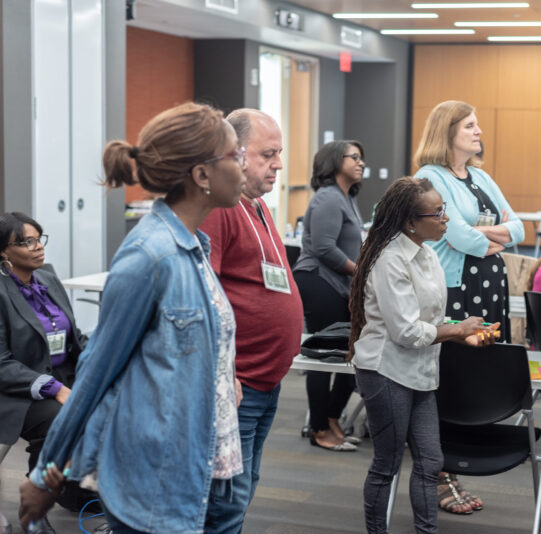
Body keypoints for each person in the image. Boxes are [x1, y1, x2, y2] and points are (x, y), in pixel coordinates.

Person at [18, 101, 247, 533]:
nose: (244, 166)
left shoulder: (196, 249)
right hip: (162, 482)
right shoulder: (149, 256)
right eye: (235, 155)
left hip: (215, 469)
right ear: (201, 175)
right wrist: (46, 472)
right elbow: (94, 374)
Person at [348, 176, 497, 534]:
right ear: (411, 222)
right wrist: (456, 331)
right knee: (387, 464)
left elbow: (429, 319)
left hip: (420, 371)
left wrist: (463, 334)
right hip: (386, 371)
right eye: (439, 213)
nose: (447, 219)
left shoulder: (428, 254)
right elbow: (405, 331)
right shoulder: (389, 259)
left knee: (431, 462)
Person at [414, 99, 524, 514]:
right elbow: (456, 236)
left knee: (481, 374)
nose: (479, 132)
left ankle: (460, 460)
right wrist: (490, 237)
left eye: (478, 126)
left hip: (489, 288)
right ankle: (441, 472)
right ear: (448, 132)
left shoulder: (480, 176)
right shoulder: (429, 175)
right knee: (449, 379)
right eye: (470, 126)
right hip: (455, 289)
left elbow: (519, 227)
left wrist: (489, 234)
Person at [199, 108, 304, 532]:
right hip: (238, 383)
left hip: (264, 379)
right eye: (268, 153)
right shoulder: (218, 210)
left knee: (242, 488)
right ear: (235, 155)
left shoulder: (256, 205)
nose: (278, 163)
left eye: (279, 153)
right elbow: (206, 297)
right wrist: (225, 372)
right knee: (224, 500)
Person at [0, 212, 94, 533]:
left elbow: (74, 338)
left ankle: (81, 489)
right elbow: (2, 362)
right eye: (27, 242)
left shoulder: (49, 279)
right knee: (59, 418)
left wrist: (104, 365)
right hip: (17, 390)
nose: (38, 247)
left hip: (63, 378)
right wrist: (54, 387)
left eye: (39, 239)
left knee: (121, 402)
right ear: (3, 251)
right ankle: (35, 507)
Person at [293, 140, 365, 452]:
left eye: (362, 159)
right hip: (319, 282)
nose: (361, 163)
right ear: (335, 161)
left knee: (353, 353)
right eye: (355, 158)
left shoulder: (346, 198)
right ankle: (320, 427)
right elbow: (323, 248)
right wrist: (359, 272)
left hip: (341, 284)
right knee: (324, 356)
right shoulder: (327, 199)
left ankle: (333, 418)